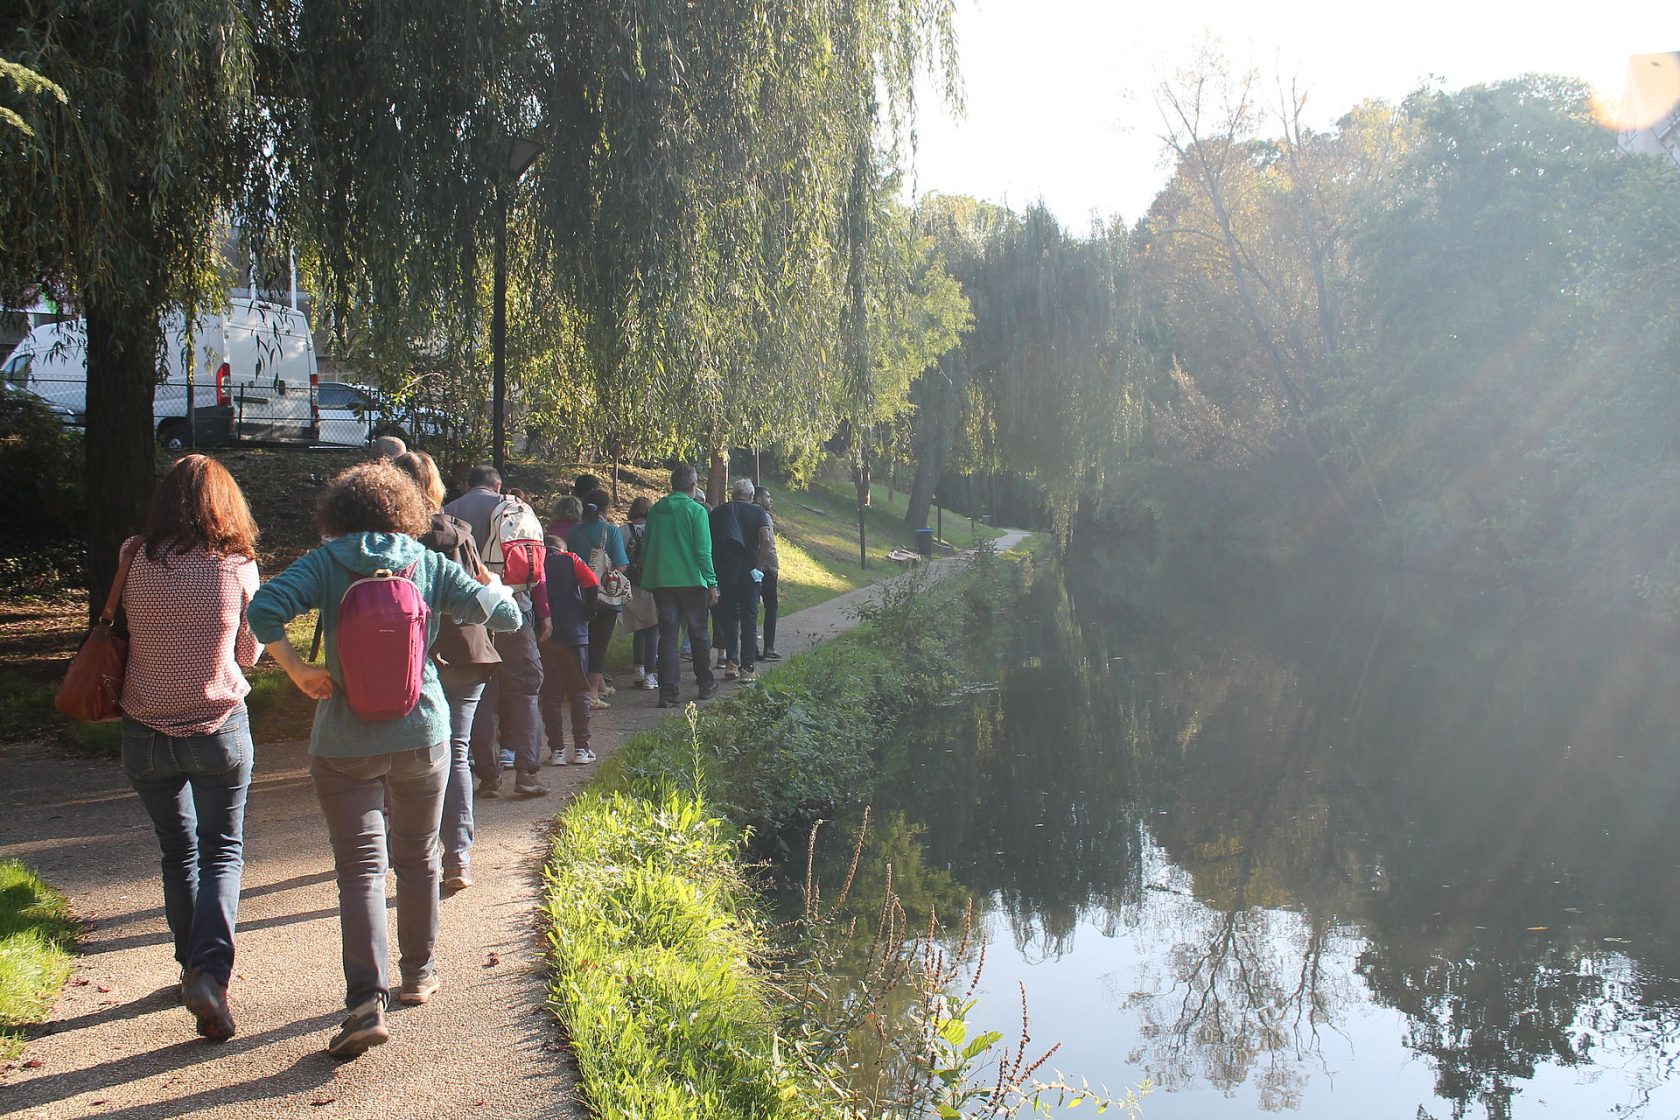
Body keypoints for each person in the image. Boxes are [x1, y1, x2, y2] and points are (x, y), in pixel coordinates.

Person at [249, 460, 521, 1059]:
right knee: (420, 856)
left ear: (338, 513)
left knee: (360, 869)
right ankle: (419, 974)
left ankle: (365, 1002)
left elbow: (263, 608)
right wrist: (501, 594)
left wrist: (298, 671)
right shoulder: (423, 562)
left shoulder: (325, 562)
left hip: (343, 741)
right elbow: (504, 615)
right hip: (422, 733)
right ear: (406, 510)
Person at [119, 455, 261, 1042]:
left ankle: (188, 971)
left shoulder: (132, 555)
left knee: (175, 850)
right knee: (221, 850)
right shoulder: (237, 567)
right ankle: (210, 974)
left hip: (144, 729)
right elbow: (249, 652)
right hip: (217, 725)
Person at [392, 451, 497, 891]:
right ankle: (457, 856)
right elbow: (481, 588)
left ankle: (407, 850)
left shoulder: (390, 542)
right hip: (465, 652)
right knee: (455, 752)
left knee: (399, 754)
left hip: (410, 657)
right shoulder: (458, 533)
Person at [445, 467, 549, 799]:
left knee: (480, 694)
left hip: (468, 617)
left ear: (465, 485)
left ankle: (488, 776)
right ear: (498, 485)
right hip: (514, 607)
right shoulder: (512, 507)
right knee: (525, 688)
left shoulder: (447, 513)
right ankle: (526, 772)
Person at [639, 464, 719, 707]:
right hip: (693, 581)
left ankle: (668, 692)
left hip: (663, 581)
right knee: (697, 633)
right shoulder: (696, 511)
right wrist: (712, 582)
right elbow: (703, 551)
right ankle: (705, 682)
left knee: (668, 636)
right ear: (693, 486)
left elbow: (647, 545)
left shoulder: (655, 511)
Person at [539, 533, 600, 765]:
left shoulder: (537, 562)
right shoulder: (571, 559)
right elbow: (592, 582)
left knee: (551, 693)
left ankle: (557, 751)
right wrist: (588, 611)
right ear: (561, 548)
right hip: (575, 633)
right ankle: (582, 749)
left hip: (546, 634)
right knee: (579, 691)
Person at [566, 488, 627, 708]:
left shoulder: (574, 533)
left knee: (586, 639)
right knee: (600, 643)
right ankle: (591, 695)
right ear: (606, 509)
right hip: (605, 595)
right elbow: (621, 564)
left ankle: (597, 685)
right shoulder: (611, 531)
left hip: (580, 592)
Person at [708, 478, 772, 681]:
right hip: (749, 572)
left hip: (726, 572)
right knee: (749, 619)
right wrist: (759, 568)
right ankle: (748, 668)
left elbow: (710, 542)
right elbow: (766, 539)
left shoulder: (718, 512)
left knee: (730, 618)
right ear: (752, 495)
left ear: (732, 494)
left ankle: (731, 662)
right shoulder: (758, 512)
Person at [623, 495, 659, 689]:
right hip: (650, 583)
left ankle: (638, 667)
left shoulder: (622, 531)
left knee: (638, 627)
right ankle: (650, 675)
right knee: (652, 628)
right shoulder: (654, 530)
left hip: (630, 585)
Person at [755, 487, 782, 661]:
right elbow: (768, 543)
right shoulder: (763, 517)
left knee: (751, 609)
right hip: (765, 568)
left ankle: (752, 648)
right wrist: (772, 566)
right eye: (767, 496)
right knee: (771, 606)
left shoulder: (748, 514)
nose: (771, 500)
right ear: (758, 498)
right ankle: (769, 647)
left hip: (752, 566)